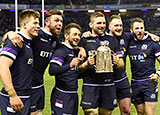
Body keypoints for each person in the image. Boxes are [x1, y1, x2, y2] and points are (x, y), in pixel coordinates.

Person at [2, 10, 86, 115]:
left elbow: (65, 47)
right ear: (47, 22)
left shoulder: (54, 40)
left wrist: (80, 48)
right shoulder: (36, 35)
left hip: (40, 85)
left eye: (61, 21)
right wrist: (9, 33)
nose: (59, 23)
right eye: (56, 20)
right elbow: (20, 37)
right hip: (27, 87)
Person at [79, 12, 124, 115]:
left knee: (106, 114)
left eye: (104, 23)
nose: (102, 25)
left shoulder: (112, 40)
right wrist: (86, 64)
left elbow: (122, 65)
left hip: (108, 84)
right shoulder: (84, 41)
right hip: (90, 84)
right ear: (91, 25)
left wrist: (117, 63)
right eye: (99, 23)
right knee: (91, 113)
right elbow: (76, 68)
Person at [0, 9, 40, 115]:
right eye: (35, 23)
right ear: (24, 24)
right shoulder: (15, 41)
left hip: (25, 96)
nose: (38, 26)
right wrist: (12, 95)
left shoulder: (27, 42)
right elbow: (3, 66)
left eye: (39, 23)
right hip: (15, 97)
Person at [49, 23, 94, 115]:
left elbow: (74, 73)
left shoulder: (73, 51)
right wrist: (70, 65)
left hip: (73, 94)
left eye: (78, 35)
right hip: (62, 94)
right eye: (74, 34)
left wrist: (87, 65)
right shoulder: (61, 51)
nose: (77, 37)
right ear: (66, 35)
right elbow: (52, 70)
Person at [127, 17, 160, 115]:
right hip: (135, 83)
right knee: (141, 113)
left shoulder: (152, 43)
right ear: (131, 30)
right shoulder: (129, 41)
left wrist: (157, 74)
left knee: (150, 114)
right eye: (137, 28)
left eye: (141, 28)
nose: (140, 30)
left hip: (149, 82)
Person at [107, 15, 132, 115]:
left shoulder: (125, 37)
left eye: (121, 25)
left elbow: (140, 33)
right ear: (109, 27)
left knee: (126, 110)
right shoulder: (103, 39)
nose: (119, 28)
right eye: (116, 25)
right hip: (108, 81)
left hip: (122, 79)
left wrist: (151, 35)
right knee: (106, 112)